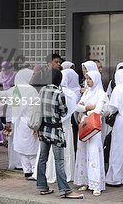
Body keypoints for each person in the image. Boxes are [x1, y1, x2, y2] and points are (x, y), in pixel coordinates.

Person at [35, 69, 83, 199]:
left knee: (42, 159)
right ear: (59, 80)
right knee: (59, 161)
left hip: (43, 129)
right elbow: (63, 112)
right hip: (55, 131)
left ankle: (42, 186)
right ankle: (65, 190)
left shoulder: (42, 91)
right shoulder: (59, 93)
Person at [0, 68, 39, 178]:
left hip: (18, 123)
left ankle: (27, 170)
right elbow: (36, 108)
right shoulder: (31, 90)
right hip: (30, 122)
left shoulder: (15, 90)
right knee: (32, 147)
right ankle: (34, 170)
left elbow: (1, 95)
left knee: (22, 147)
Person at [74, 70, 107, 196]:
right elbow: (77, 107)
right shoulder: (87, 92)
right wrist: (89, 107)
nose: (88, 81)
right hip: (84, 125)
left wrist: (85, 108)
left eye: (90, 79)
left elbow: (98, 110)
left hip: (94, 126)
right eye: (87, 79)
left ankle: (96, 184)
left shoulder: (101, 94)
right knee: (83, 151)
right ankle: (85, 181)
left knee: (94, 153)